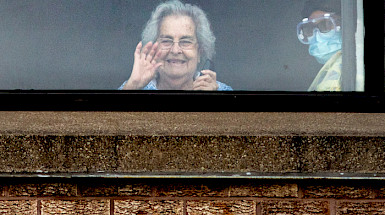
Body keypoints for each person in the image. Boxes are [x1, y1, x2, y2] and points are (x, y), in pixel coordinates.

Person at [119, 0, 232, 91]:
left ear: (200, 52)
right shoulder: (131, 87)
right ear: (154, 48)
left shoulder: (221, 91)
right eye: (166, 41)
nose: (175, 50)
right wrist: (132, 87)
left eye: (185, 42)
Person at [297, 0, 342, 91]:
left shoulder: (353, 68)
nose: (317, 36)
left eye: (325, 24)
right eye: (309, 28)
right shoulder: (329, 73)